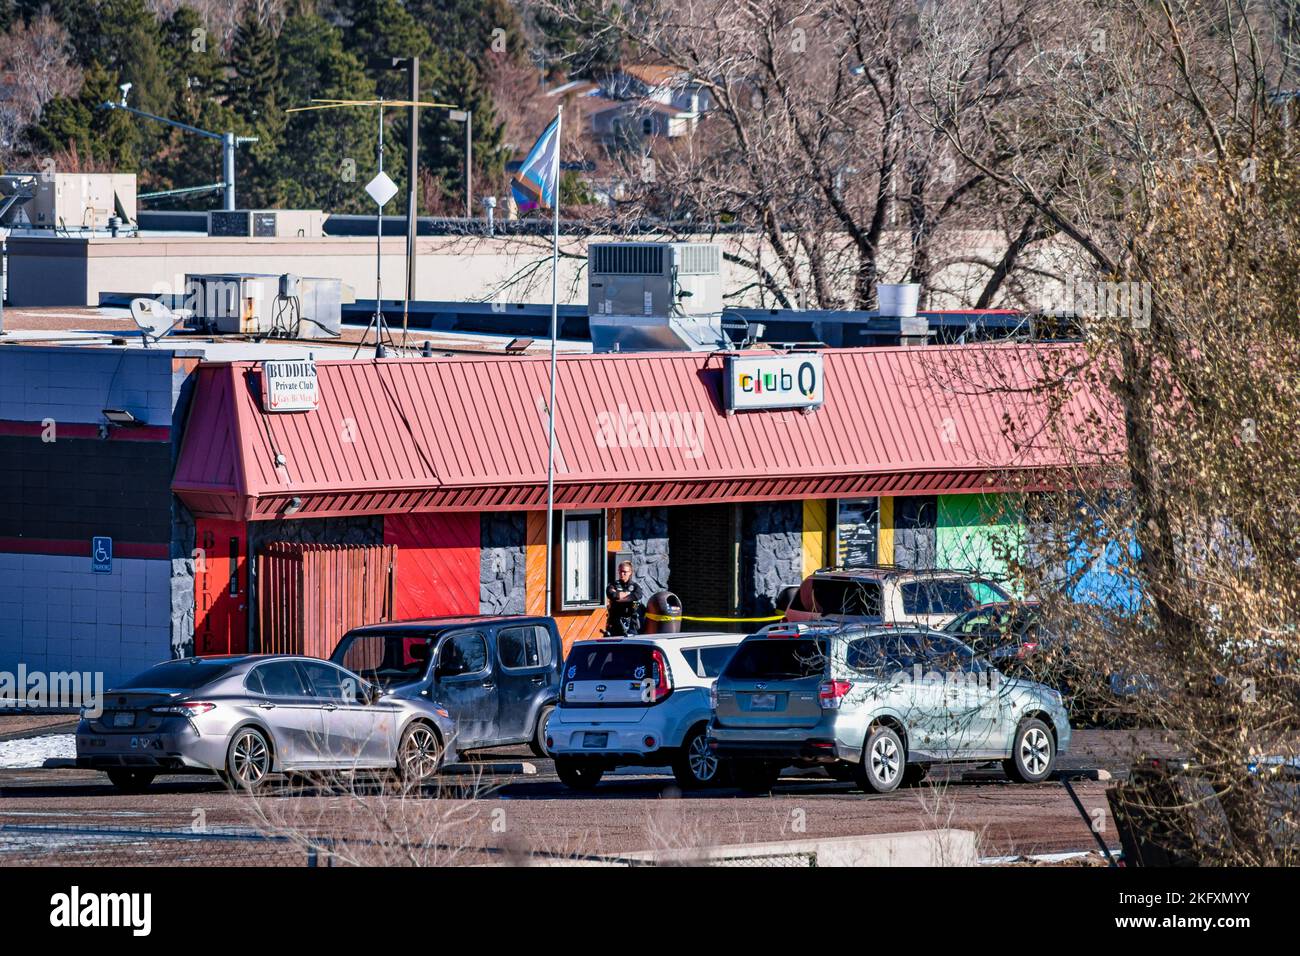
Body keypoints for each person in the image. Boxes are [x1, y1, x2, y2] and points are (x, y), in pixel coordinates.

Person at [605, 560, 644, 636]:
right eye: (620, 571)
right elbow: (612, 595)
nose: (622, 574)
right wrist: (629, 595)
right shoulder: (613, 585)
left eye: (624, 572)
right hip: (615, 622)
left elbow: (637, 596)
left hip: (632, 622)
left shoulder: (636, 586)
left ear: (630, 572)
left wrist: (620, 598)